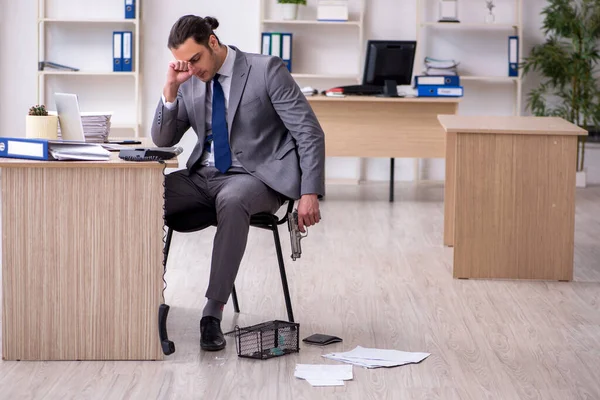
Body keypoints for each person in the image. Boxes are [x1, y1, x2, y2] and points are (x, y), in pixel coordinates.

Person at [151, 15, 325, 351]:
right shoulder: (189, 79)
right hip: (202, 176)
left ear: (212, 42)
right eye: (185, 61)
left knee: (233, 199)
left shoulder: (266, 70)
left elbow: (309, 131)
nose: (194, 68)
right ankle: (135, 303)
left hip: (255, 177)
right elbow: (163, 137)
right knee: (142, 196)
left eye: (197, 59)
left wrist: (309, 192)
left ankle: (212, 314)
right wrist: (171, 87)